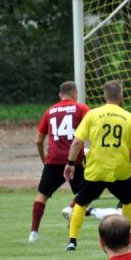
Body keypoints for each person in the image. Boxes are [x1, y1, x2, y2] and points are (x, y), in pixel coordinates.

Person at [64, 80, 131, 251]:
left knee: (81, 202)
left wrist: (70, 163)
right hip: (119, 171)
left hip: (95, 170)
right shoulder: (129, 117)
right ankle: (129, 238)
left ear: (104, 96)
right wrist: (124, 161)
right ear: (121, 97)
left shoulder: (92, 115)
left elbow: (77, 141)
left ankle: (72, 240)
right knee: (129, 201)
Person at [28, 81, 90, 243]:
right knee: (86, 192)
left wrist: (44, 160)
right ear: (75, 93)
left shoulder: (49, 111)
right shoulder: (81, 109)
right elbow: (92, 129)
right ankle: (70, 209)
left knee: (42, 195)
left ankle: (33, 233)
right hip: (74, 160)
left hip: (53, 160)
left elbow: (38, 141)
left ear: (60, 95)